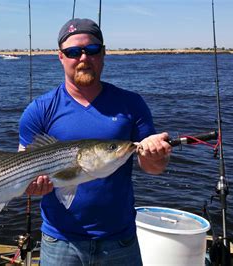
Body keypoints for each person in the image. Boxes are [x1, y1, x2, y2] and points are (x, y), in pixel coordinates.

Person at [18, 18, 172, 265]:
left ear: (103, 53)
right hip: (59, 242)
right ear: (61, 57)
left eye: (91, 50)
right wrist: (31, 186)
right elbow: (22, 171)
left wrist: (156, 157)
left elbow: (153, 168)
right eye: (72, 52)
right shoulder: (39, 110)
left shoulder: (131, 104)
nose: (83, 58)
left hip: (119, 240)